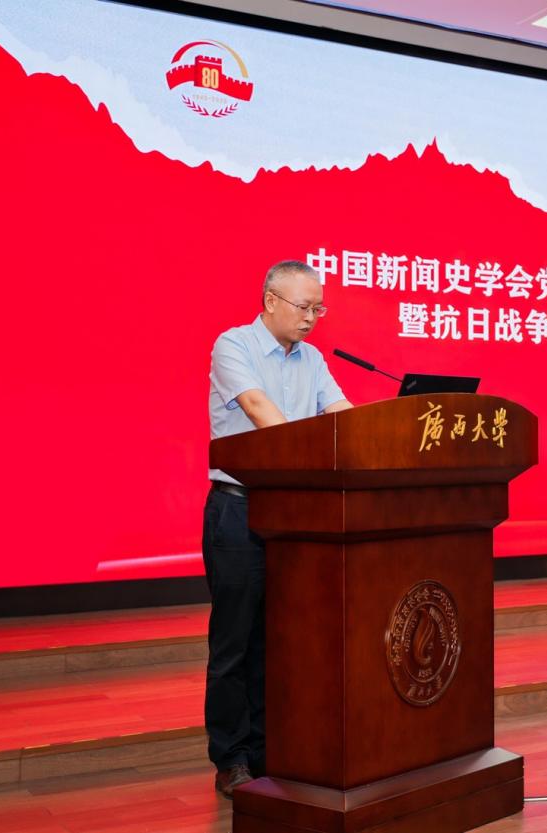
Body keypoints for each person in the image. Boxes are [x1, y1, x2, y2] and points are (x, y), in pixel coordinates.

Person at [203, 260, 352, 798]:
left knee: (282, 639)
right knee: (235, 643)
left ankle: (272, 750)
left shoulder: (312, 359)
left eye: (319, 309)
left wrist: (375, 436)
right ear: (270, 300)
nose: (312, 318)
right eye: (304, 307)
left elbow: (341, 414)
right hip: (239, 512)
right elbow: (259, 410)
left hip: (294, 516)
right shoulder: (234, 345)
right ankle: (232, 757)